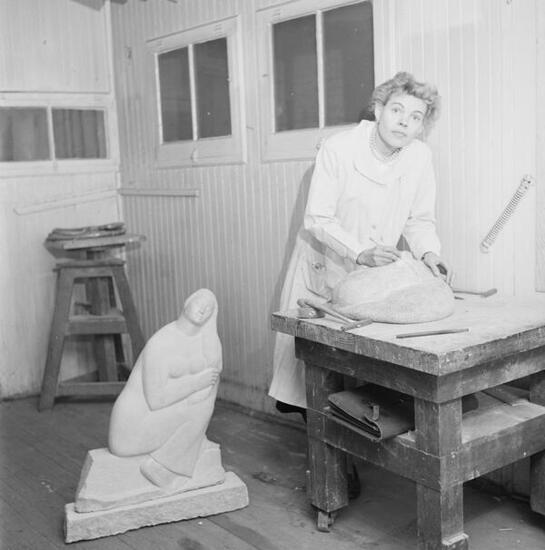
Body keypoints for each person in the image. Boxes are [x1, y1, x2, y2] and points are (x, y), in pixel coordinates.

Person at [269, 71, 452, 418]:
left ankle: (350, 443)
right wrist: (359, 252)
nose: (404, 122)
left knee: (358, 376)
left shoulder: (419, 157)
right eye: (397, 110)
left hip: (372, 277)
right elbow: (318, 218)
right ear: (379, 110)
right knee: (314, 378)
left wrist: (430, 252)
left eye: (416, 117)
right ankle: (322, 444)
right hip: (324, 263)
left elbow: (419, 219)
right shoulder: (339, 148)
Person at [109, 288, 222, 488]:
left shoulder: (205, 341)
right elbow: (155, 400)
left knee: (206, 397)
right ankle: (163, 467)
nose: (202, 310)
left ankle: (180, 452)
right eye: (199, 302)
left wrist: (202, 387)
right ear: (187, 303)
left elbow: (212, 379)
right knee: (200, 409)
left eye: (209, 308)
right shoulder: (161, 343)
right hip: (132, 428)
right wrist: (197, 383)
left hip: (161, 417)